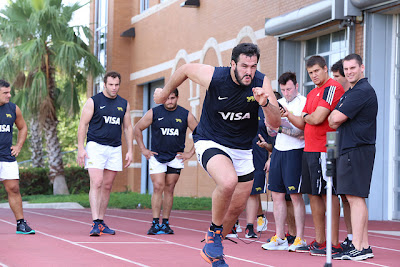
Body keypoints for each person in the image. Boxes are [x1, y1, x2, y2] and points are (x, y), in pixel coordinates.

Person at [153, 43, 281, 266]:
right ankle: (213, 234)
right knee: (228, 181)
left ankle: (214, 249)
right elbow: (185, 69)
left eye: (252, 66)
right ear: (232, 64)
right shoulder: (215, 77)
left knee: (237, 205)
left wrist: (266, 103)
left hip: (242, 148)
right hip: (211, 140)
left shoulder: (262, 82)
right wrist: (164, 94)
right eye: (243, 66)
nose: (248, 71)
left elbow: (276, 123)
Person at [284, 56, 344, 256]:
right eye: (311, 72)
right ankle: (320, 241)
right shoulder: (312, 93)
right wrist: (291, 115)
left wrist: (306, 117)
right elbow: (302, 123)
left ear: (325, 69)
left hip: (325, 149)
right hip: (309, 149)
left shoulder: (332, 87)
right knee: (313, 194)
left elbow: (317, 118)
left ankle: (333, 243)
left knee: (329, 194)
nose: (314, 75)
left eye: (317, 71)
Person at [329, 54, 378, 261]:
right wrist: (335, 115)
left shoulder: (361, 91)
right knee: (355, 197)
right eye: (346, 69)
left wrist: (336, 114)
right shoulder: (353, 92)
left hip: (357, 149)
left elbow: (334, 119)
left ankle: (359, 246)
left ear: (362, 68)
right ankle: (363, 245)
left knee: (355, 198)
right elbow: (333, 120)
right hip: (353, 149)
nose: (349, 72)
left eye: (352, 68)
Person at [133, 88, 198, 235]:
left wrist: (190, 153)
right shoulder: (154, 112)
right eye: (167, 99)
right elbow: (137, 128)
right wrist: (143, 149)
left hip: (176, 157)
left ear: (177, 98)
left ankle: (166, 223)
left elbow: (200, 132)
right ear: (163, 99)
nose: (170, 101)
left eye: (173, 98)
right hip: (157, 156)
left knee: (169, 188)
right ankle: (155, 223)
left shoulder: (185, 114)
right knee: (158, 186)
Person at [77, 71, 133, 236]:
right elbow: (83, 125)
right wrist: (81, 148)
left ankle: (101, 221)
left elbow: (128, 127)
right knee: (97, 182)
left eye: (116, 85)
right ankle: (94, 222)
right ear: (104, 84)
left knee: (107, 186)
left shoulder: (124, 104)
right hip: (95, 146)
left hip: (115, 147)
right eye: (111, 85)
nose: (114, 88)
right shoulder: (93, 101)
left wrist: (130, 150)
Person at [261, 72, 307, 251]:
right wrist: (270, 127)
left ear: (296, 86)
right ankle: (280, 236)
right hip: (279, 151)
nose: (286, 93)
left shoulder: (303, 102)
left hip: (296, 151)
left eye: (289, 89)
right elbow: (272, 133)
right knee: (277, 195)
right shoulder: (278, 104)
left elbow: (301, 132)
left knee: (295, 196)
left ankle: (300, 238)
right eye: (283, 90)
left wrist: (280, 128)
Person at [0, 80, 35, 235]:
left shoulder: (13, 109)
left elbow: (22, 127)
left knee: (14, 188)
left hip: (7, 155)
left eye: (9, 92)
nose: (9, 95)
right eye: (5, 93)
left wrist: (19, 146)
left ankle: (21, 224)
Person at [331, 59, 353, 249]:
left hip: (350, 149)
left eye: (337, 76)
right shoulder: (339, 97)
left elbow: (334, 120)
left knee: (350, 196)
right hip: (337, 147)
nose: (335, 80)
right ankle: (349, 235)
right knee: (341, 195)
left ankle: (355, 237)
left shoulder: (352, 96)